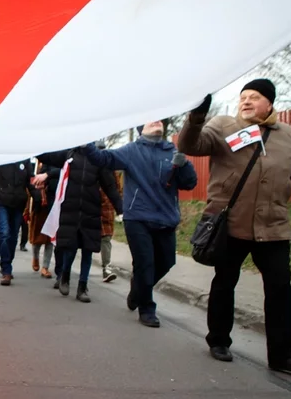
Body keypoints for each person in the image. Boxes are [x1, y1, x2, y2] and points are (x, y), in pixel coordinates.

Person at [178, 82, 291, 373]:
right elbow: (189, 145)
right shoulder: (223, 126)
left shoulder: (287, 135)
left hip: (273, 227)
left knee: (280, 289)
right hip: (230, 224)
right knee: (225, 282)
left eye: (254, 98)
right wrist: (196, 118)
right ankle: (219, 340)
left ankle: (283, 356)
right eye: (243, 97)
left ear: (269, 104)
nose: (246, 101)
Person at [84, 122, 197, 327]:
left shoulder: (172, 151)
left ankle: (137, 291)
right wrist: (86, 142)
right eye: (149, 120)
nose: (156, 121)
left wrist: (184, 165)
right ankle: (147, 308)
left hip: (166, 218)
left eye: (158, 119)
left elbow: (189, 183)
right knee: (145, 263)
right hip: (137, 217)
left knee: (166, 262)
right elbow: (103, 159)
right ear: (140, 129)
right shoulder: (131, 151)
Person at [37, 147, 123, 303]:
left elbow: (109, 186)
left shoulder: (98, 158)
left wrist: (121, 209)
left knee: (88, 251)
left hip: (90, 210)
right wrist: (31, 148)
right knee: (70, 248)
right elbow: (47, 156)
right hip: (70, 209)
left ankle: (82, 287)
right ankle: (65, 276)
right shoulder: (68, 154)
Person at [0, 160, 33, 286]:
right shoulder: (1, 157)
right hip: (1, 200)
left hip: (18, 202)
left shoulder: (25, 159)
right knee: (4, 233)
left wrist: (38, 198)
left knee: (13, 236)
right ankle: (6, 269)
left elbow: (29, 181)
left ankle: (7, 262)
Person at [28, 161, 59, 279]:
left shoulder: (65, 161)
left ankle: (45, 267)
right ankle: (35, 257)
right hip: (42, 205)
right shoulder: (47, 162)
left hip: (56, 204)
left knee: (50, 238)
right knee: (38, 237)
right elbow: (39, 179)